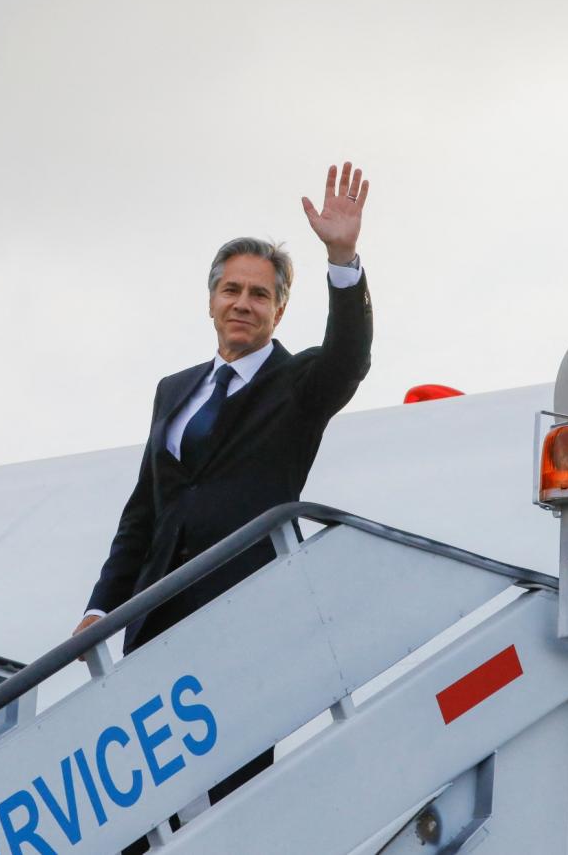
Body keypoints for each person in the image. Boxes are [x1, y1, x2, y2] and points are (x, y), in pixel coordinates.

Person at [70, 161, 373, 833]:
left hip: (242, 621)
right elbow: (144, 514)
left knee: (234, 801)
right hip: (155, 620)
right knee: (138, 803)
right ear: (210, 301)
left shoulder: (298, 386)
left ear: (280, 309)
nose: (242, 303)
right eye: (231, 290)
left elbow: (349, 357)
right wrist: (101, 605)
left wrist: (343, 259)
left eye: (259, 295)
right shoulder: (173, 390)